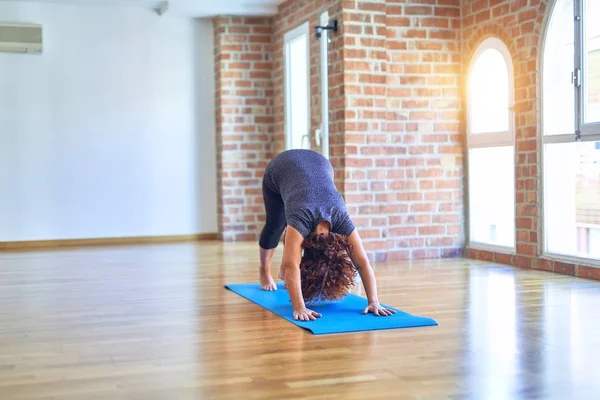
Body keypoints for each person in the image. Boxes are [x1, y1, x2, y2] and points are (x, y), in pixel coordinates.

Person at [258, 149, 396, 322]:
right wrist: (299, 307)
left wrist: (374, 301)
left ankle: (281, 261)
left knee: (292, 232)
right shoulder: (302, 219)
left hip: (319, 163)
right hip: (282, 166)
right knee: (275, 225)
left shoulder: (341, 220)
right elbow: (292, 266)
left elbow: (362, 263)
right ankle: (264, 269)